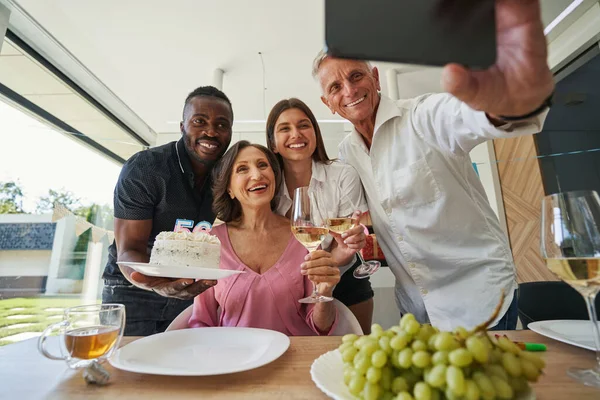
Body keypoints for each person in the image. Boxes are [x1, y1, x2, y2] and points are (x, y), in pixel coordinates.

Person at [312, 0, 555, 331]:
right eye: (336, 87)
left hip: (480, 300)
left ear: (376, 78)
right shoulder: (347, 152)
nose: (350, 90)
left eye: (356, 76)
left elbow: (470, 115)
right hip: (416, 309)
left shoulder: (423, 116)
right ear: (328, 103)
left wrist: (511, 103)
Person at [102, 86, 234, 336]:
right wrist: (155, 283)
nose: (210, 131)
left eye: (221, 124)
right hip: (133, 289)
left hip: (191, 291)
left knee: (183, 368)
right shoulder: (146, 168)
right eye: (199, 121)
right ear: (182, 126)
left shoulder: (227, 175)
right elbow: (129, 248)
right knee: (127, 369)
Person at [189, 141, 340, 335]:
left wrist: (325, 292)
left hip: (294, 356)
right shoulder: (210, 243)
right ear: (229, 189)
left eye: (262, 165)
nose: (257, 174)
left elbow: (321, 327)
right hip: (233, 357)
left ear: (274, 178)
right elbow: (201, 322)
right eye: (243, 169)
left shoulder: (304, 237)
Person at [265, 98, 374, 334]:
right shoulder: (267, 188)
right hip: (289, 289)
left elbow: (344, 242)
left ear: (315, 133)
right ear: (273, 144)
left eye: (304, 125)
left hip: (345, 281)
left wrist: (338, 256)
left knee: (356, 356)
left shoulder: (343, 175)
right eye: (285, 128)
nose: (296, 134)